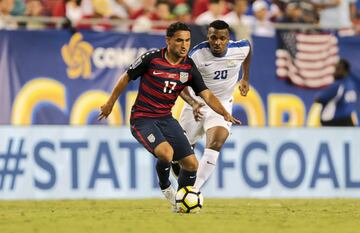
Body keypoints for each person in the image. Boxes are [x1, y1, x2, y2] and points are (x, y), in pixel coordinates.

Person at [97, 22, 241, 211]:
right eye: (179, 40)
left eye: (188, 41)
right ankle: (166, 187)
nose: (184, 45)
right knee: (166, 153)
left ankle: (182, 202)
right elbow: (126, 77)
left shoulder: (188, 67)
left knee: (191, 164)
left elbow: (206, 94)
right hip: (143, 118)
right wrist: (110, 103)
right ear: (168, 40)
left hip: (165, 117)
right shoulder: (152, 58)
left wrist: (224, 113)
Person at [172, 20, 251, 190]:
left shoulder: (240, 48)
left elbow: (248, 51)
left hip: (221, 105)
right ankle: (182, 179)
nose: (217, 42)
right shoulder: (196, 55)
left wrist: (245, 77)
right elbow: (179, 83)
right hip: (197, 105)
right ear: (208, 36)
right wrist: (193, 102)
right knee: (182, 156)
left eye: (222, 38)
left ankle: (194, 190)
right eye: (213, 37)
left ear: (228, 38)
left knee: (216, 143)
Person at [315, 59, 358, 126]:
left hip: (334, 120)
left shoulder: (339, 84)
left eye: (338, 69)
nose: (335, 71)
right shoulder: (352, 84)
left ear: (344, 70)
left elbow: (319, 99)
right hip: (349, 119)